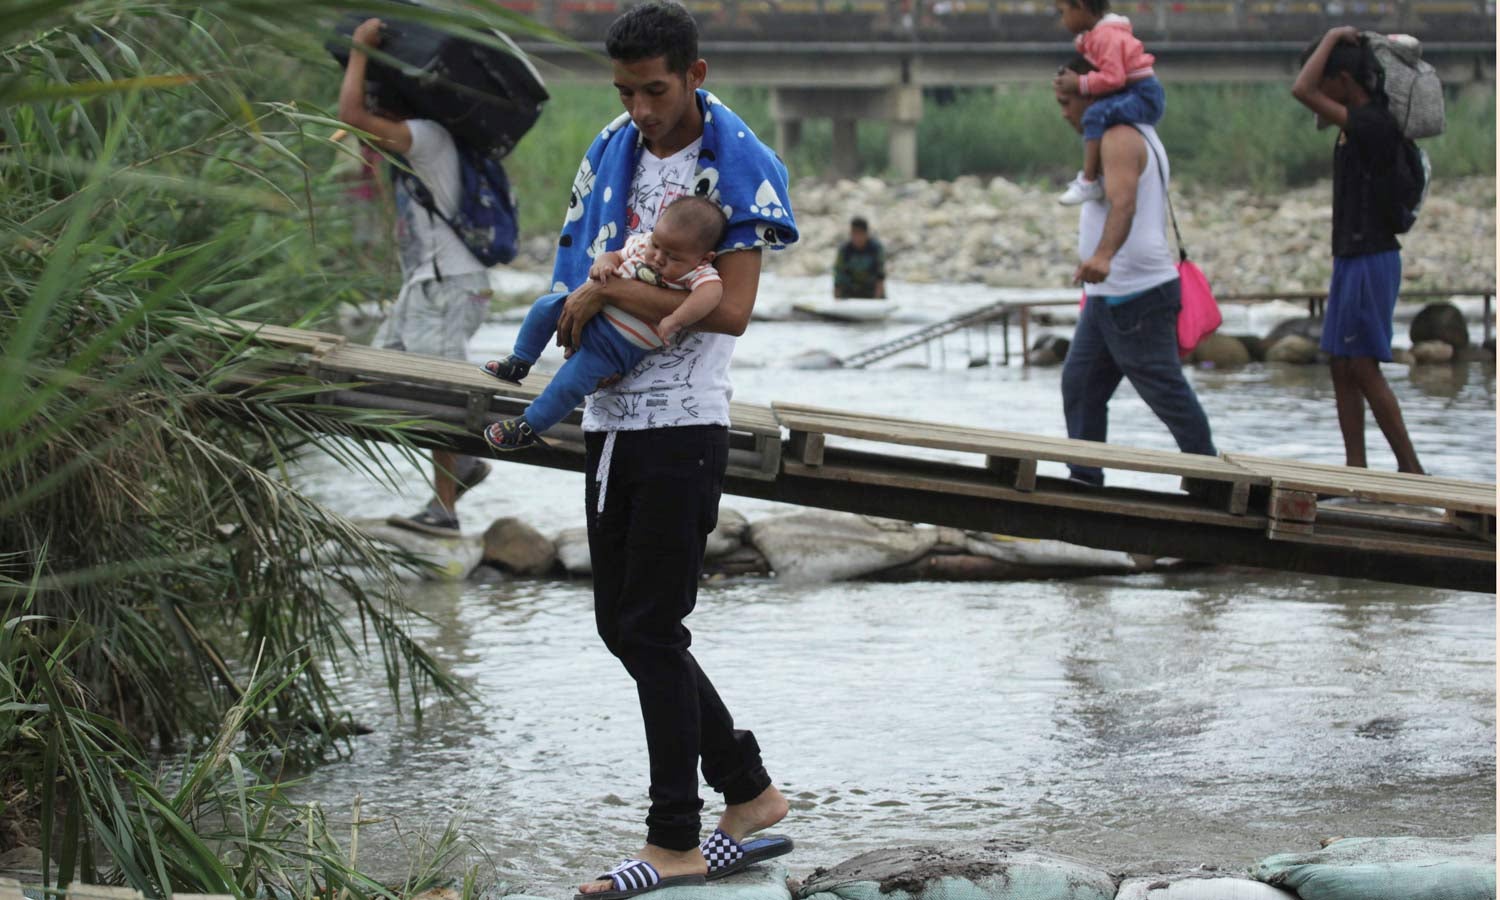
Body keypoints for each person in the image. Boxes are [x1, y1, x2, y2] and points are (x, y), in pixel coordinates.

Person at [542, 4, 800, 896]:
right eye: (626, 91)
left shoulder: (738, 166)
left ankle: (674, 839)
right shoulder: (610, 151)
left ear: (695, 72)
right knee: (623, 626)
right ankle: (750, 790)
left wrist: (612, 292)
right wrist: (585, 292)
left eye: (655, 89)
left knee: (652, 626)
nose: (642, 108)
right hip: (613, 421)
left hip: (684, 421)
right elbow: (577, 261)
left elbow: (727, 308)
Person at [337, 17, 495, 536]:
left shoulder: (427, 138)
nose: (376, 115)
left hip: (449, 287)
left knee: (438, 397)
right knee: (376, 377)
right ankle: (463, 466)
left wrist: (359, 51)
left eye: (382, 102)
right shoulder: (414, 150)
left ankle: (445, 511)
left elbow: (352, 115)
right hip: (427, 288)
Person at [1054, 55, 1217, 487]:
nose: (1065, 112)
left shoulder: (1121, 136)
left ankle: (1208, 479)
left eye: (1067, 101)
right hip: (1110, 294)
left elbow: (1123, 203)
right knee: (1082, 384)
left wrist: (1103, 256)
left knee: (1164, 391)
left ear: (1093, 91)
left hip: (1136, 293)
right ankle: (1084, 478)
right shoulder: (1119, 133)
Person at [478, 196, 729, 449]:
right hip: (589, 314)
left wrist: (676, 319)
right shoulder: (644, 245)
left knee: (570, 383)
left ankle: (527, 426)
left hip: (614, 347)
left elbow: (711, 295)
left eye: (673, 257)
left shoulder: (699, 273)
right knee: (544, 307)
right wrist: (603, 265)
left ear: (704, 258)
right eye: (656, 245)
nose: (658, 258)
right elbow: (614, 255)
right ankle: (520, 360)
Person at [1291, 26, 1424, 474]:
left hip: (1371, 258)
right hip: (1353, 258)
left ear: (1345, 83)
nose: (1321, 93)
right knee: (1341, 365)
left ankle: (1411, 470)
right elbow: (1311, 87)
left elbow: (1302, 88)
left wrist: (1327, 37)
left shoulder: (1372, 123)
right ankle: (1356, 471)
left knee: (1363, 366)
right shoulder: (1356, 124)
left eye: (1331, 82)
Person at [1052, 0, 1165, 206]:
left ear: (1081, 6)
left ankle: (1089, 180)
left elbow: (1114, 78)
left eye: (1063, 12)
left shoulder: (1106, 37)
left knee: (1095, 115)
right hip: (1133, 91)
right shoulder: (1097, 35)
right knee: (1097, 113)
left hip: (1142, 95)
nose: (1062, 21)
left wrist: (1080, 83)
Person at [832, 217, 886, 299]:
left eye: (860, 233)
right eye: (854, 233)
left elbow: (880, 276)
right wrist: (837, 300)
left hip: (870, 291)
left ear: (866, 233)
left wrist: (877, 301)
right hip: (850, 291)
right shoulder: (844, 250)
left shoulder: (876, 249)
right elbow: (838, 277)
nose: (857, 237)